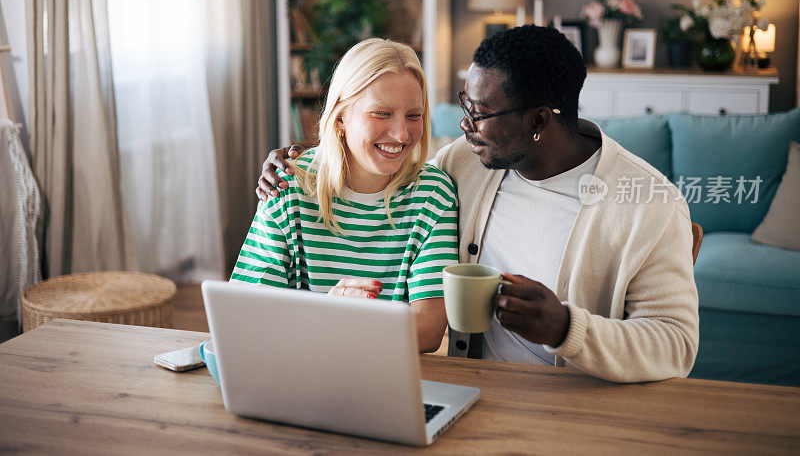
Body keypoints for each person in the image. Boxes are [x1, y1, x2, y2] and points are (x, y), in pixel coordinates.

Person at [258, 26, 699, 383]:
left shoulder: (648, 203)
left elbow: (676, 345)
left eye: (481, 112)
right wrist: (308, 156)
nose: (465, 124)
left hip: (580, 406)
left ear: (539, 120)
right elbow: (383, 162)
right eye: (464, 103)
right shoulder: (465, 165)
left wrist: (567, 329)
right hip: (475, 388)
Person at [234, 38, 458, 353]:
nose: (402, 134)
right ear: (341, 117)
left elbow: (429, 329)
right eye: (382, 113)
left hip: (389, 378)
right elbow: (245, 316)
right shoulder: (287, 187)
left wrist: (325, 323)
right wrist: (331, 316)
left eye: (413, 115)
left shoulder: (433, 195)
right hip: (297, 369)